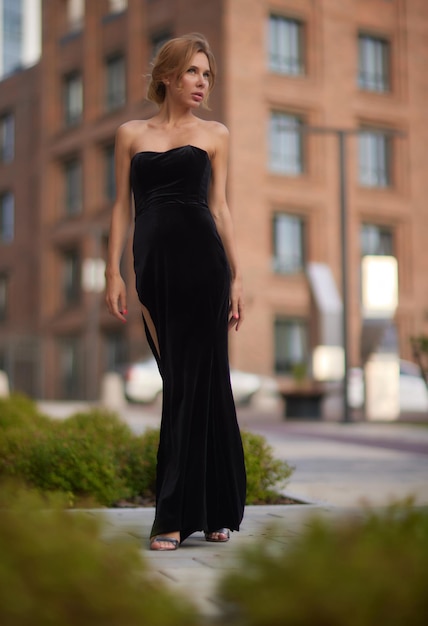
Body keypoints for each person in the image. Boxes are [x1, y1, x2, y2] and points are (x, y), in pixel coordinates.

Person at [105, 33, 246, 551]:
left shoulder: (216, 134)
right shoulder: (129, 134)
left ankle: (179, 514)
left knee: (202, 382)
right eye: (193, 72)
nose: (202, 83)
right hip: (154, 268)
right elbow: (122, 207)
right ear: (167, 75)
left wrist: (237, 276)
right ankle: (208, 507)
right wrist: (112, 272)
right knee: (181, 381)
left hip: (205, 266)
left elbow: (221, 207)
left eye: (207, 75)